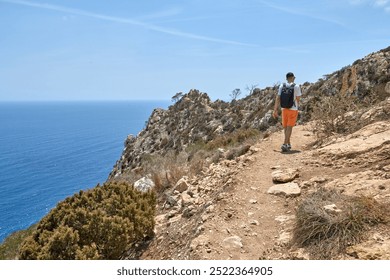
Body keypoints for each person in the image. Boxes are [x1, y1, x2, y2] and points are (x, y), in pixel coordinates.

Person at [272, 72, 302, 152]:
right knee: (290, 127)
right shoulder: (296, 86)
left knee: (285, 127)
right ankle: (285, 144)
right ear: (293, 77)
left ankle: (288, 144)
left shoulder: (282, 86)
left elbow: (278, 98)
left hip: (284, 109)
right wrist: (296, 105)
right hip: (293, 109)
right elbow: (298, 98)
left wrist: (275, 110)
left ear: (286, 78)